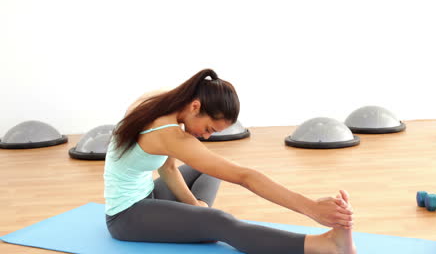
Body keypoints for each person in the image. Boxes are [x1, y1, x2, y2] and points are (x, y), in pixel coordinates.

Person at [103, 69, 357, 254]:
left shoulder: (158, 101)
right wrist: (310, 207)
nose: (206, 136)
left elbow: (168, 167)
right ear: (194, 106)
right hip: (126, 217)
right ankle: (324, 246)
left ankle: (195, 219)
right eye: (208, 128)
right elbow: (245, 176)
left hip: (149, 194)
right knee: (220, 222)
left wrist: (194, 205)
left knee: (210, 171)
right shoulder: (168, 134)